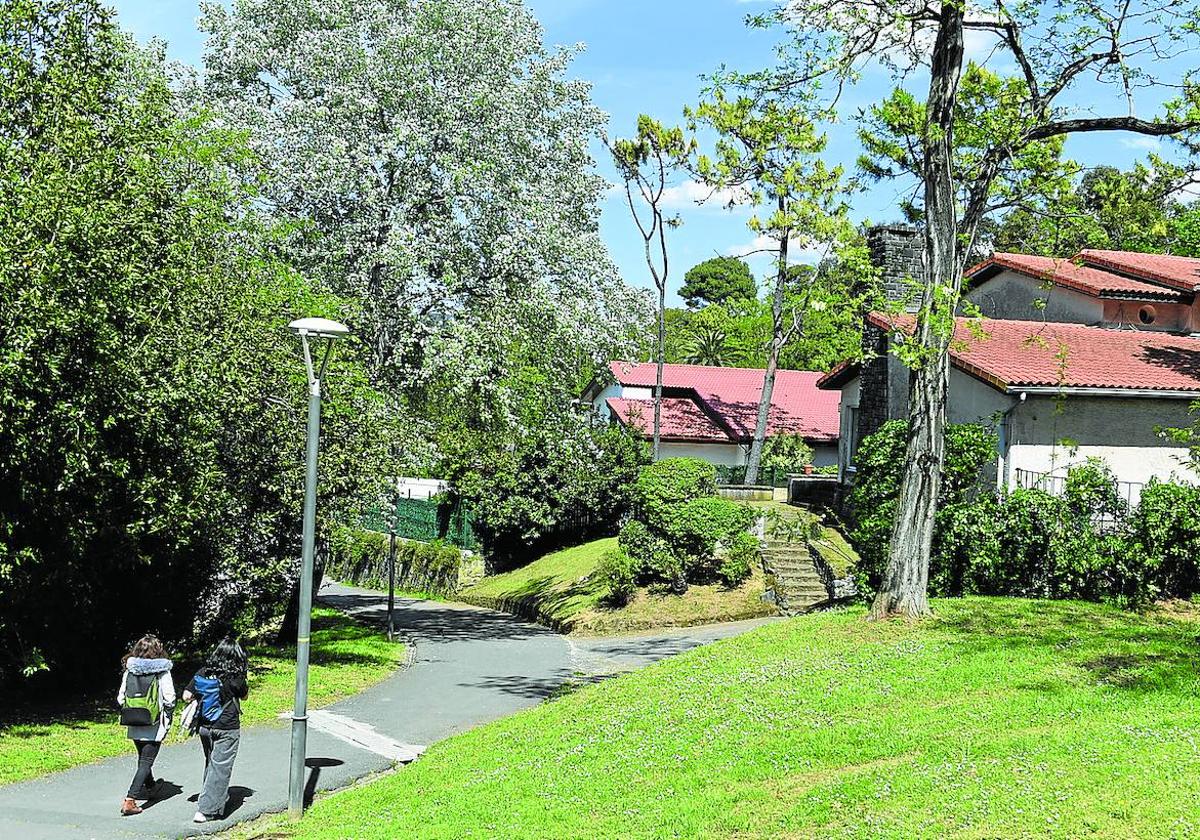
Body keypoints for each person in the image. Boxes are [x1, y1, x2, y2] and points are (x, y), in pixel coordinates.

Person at [182, 637, 248, 824]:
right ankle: (206, 810)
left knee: (212, 764)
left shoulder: (204, 672)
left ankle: (215, 799)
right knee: (221, 767)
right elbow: (245, 696)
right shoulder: (236, 677)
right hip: (227, 727)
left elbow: (186, 696)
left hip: (205, 727)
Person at [117, 634, 175, 817]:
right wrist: (168, 717)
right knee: (146, 761)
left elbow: (120, 698)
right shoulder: (162, 671)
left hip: (133, 720)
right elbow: (170, 698)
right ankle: (130, 800)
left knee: (143, 756)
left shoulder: (129, 671)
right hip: (154, 722)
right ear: (157, 651)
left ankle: (150, 787)